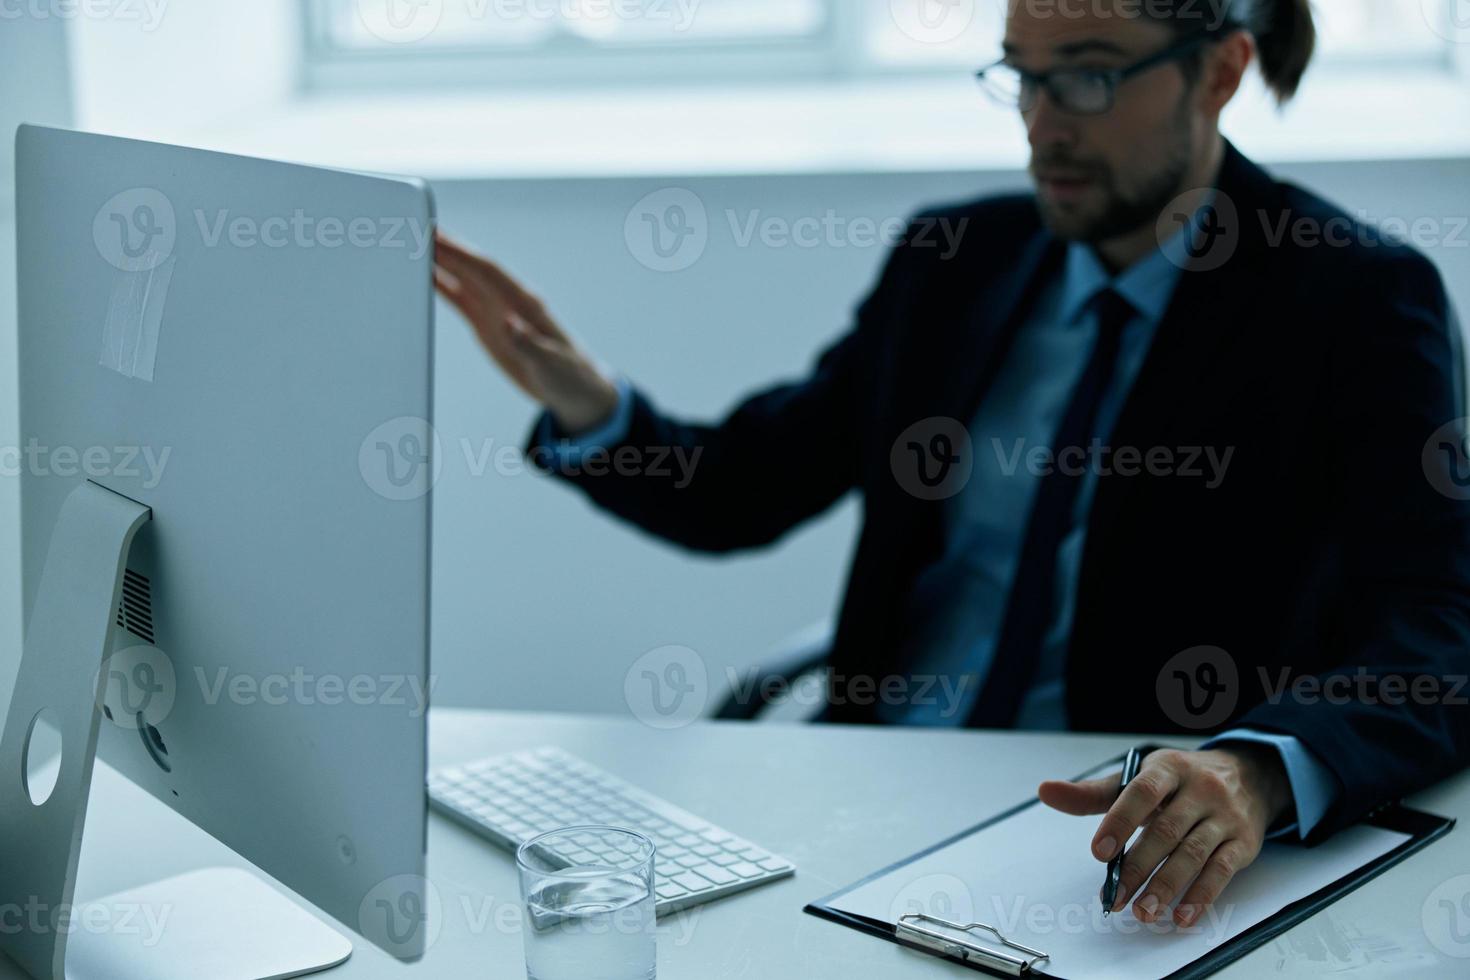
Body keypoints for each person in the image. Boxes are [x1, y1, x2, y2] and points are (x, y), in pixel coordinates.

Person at [433, 0, 1470, 928]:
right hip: (870, 804)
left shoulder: (1357, 298)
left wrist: (1259, 768)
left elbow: (1439, 634)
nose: (1043, 121)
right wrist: (585, 398)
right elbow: (744, 487)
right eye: (1020, 72)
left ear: (1221, 71)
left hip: (1124, 837)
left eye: (1092, 73)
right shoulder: (955, 259)